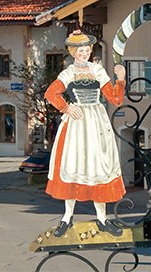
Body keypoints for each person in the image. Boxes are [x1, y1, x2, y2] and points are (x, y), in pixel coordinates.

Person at [43, 30, 126, 238]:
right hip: (77, 124)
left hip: (96, 123)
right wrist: (66, 108)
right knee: (73, 164)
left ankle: (102, 218)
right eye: (80, 50)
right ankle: (67, 216)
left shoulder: (98, 70)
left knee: (98, 166)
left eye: (87, 50)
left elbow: (115, 100)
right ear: (73, 52)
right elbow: (51, 93)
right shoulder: (68, 73)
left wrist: (121, 79)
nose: (84, 53)